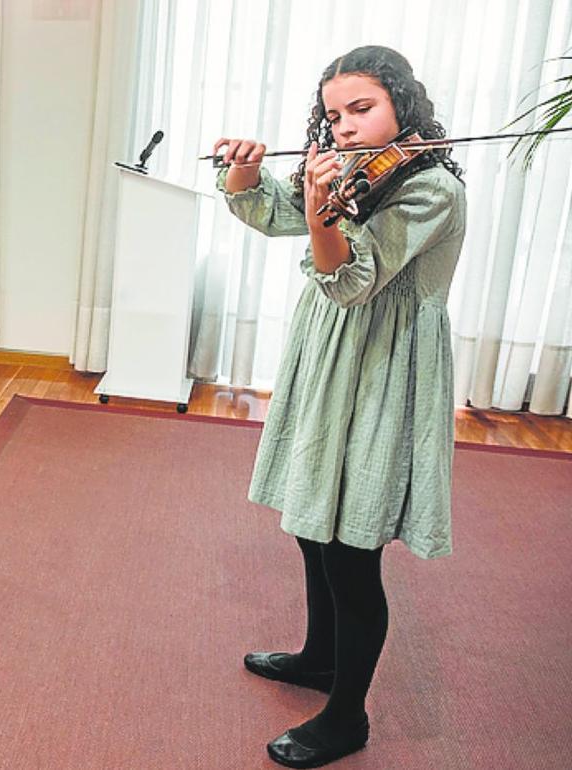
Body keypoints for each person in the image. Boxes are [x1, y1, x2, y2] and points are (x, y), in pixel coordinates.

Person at [213, 46, 466, 768]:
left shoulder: (431, 189)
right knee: (313, 523)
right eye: (333, 114)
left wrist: (325, 209)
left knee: (352, 550)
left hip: (385, 368)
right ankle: (320, 656)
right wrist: (245, 170)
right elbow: (274, 213)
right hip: (330, 355)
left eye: (363, 109)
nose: (346, 127)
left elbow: (354, 280)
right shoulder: (352, 170)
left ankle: (347, 716)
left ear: (401, 106)